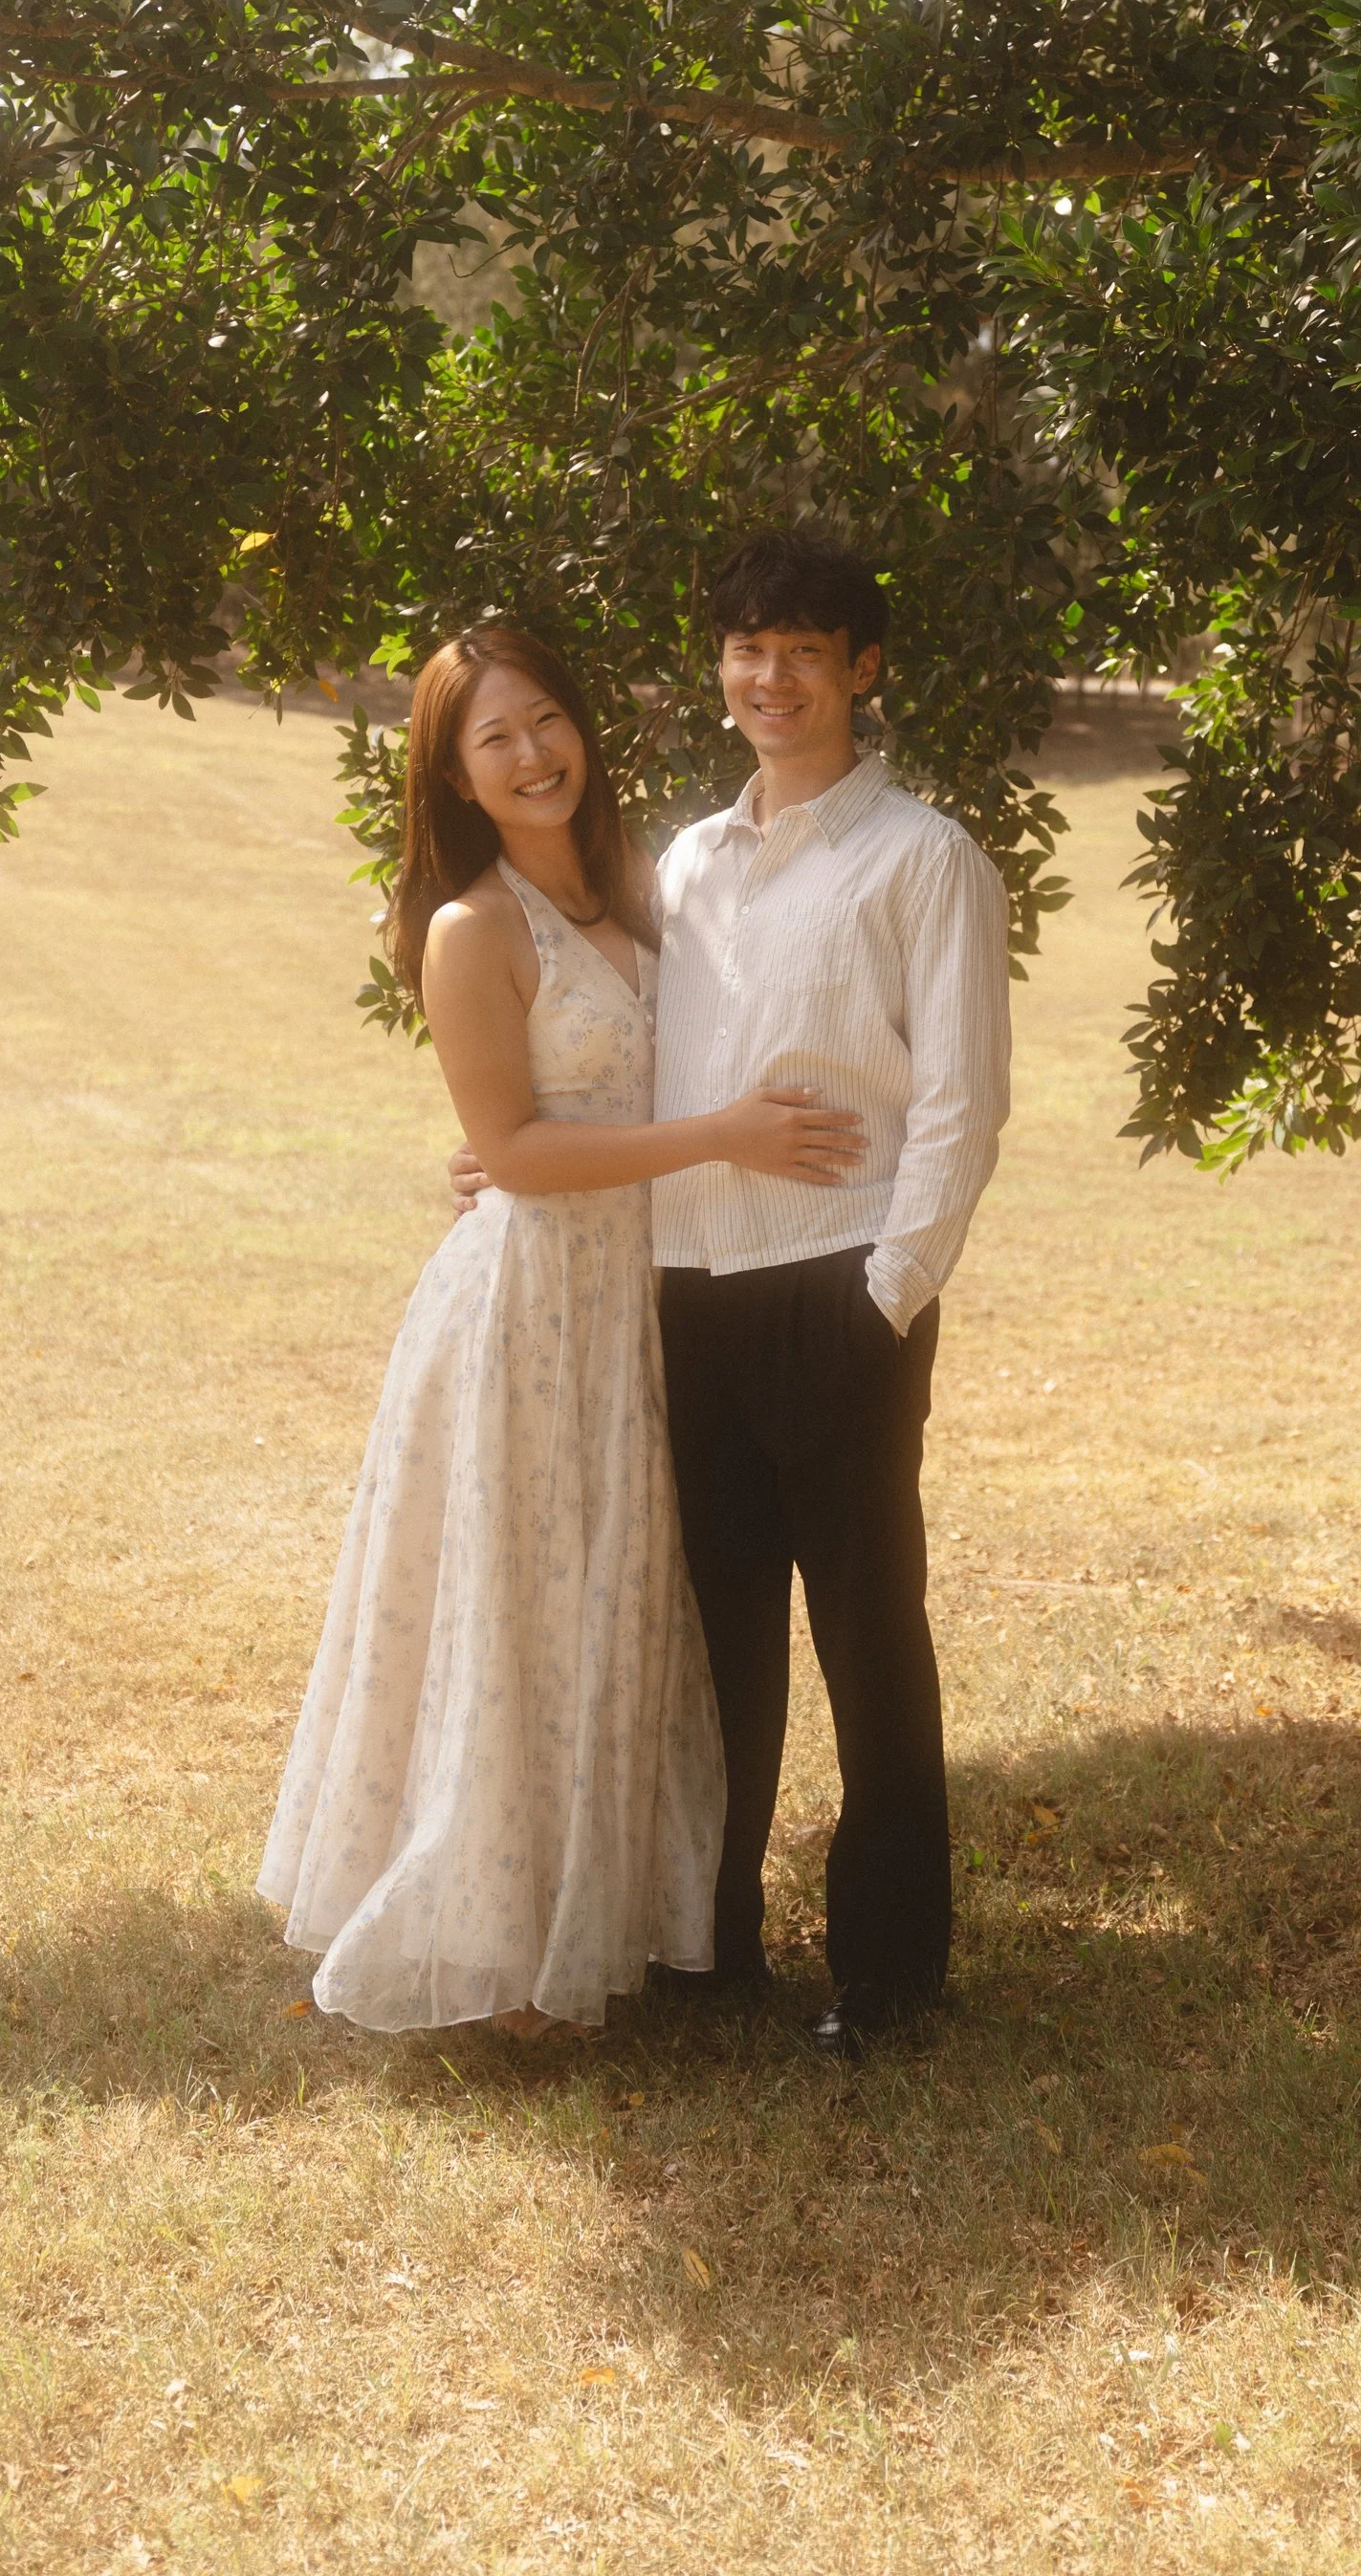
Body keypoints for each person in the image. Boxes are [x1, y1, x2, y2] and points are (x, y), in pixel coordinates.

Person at [258, 622, 866, 2038]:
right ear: (456, 778)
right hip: (534, 1312)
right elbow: (515, 1152)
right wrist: (716, 1137)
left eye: (546, 722)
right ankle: (501, 1934)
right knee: (526, 1606)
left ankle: (632, 1911)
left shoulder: (652, 894)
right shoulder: (470, 930)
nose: (532, 755)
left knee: (633, 1601)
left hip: (659, 1297)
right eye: (495, 740)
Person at [461, 533, 1013, 2054]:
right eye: (747, 648)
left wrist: (886, 1296)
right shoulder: (684, 868)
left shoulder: (925, 860)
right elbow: (618, 1048)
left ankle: (890, 1971)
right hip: (681, 1300)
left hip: (840, 1291)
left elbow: (962, 1105)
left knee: (866, 1639)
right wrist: (502, 1149)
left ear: (864, 671)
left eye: (806, 651)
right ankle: (711, 1948)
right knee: (711, 1647)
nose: (770, 677)